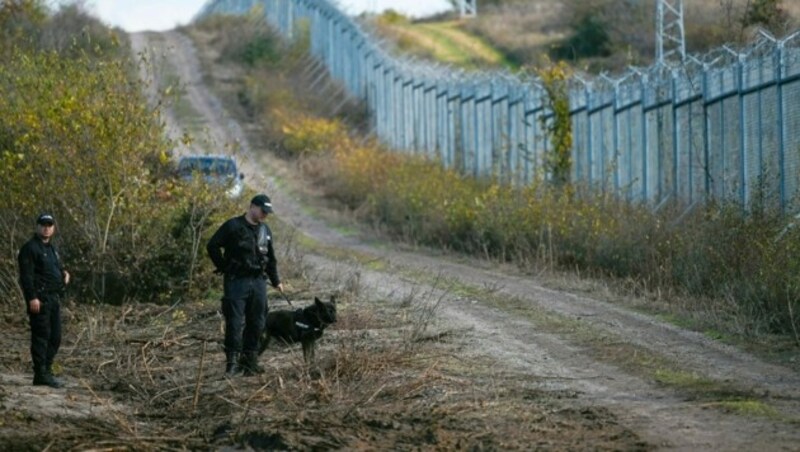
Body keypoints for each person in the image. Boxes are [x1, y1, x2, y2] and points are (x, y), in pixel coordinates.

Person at [207, 194, 284, 376]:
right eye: (262, 211)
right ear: (252, 207)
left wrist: (276, 280)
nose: (265, 215)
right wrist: (224, 267)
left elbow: (270, 259)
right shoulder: (233, 226)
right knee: (234, 322)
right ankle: (232, 364)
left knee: (257, 322)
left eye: (267, 212)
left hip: (258, 281)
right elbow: (212, 246)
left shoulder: (265, 231)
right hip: (236, 281)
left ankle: (250, 361)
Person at [18, 213, 71, 388]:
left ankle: (46, 370)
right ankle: (40, 374)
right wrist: (32, 297)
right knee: (41, 337)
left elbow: (56, 267)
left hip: (53, 299)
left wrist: (64, 273)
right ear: (37, 226)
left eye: (49, 225)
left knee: (56, 337)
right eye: (43, 224)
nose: (46, 228)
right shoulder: (30, 248)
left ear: (54, 228)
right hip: (39, 300)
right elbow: (26, 276)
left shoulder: (52, 249)